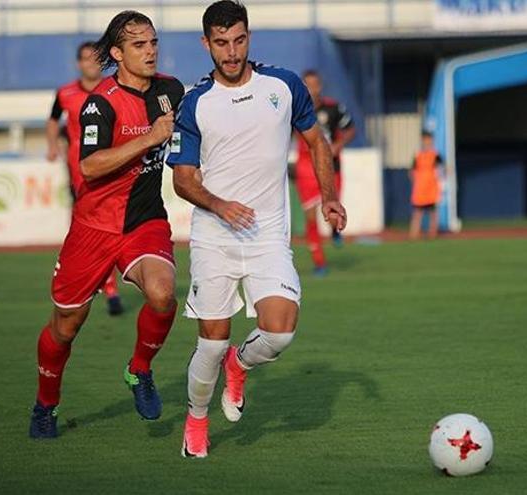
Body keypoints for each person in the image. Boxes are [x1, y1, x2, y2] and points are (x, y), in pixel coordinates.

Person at [167, 0, 347, 458]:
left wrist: (328, 195)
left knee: (281, 332)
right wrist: (219, 204)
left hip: (267, 233)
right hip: (214, 235)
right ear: (206, 44)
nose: (231, 52)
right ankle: (197, 422)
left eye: (239, 40)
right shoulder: (195, 102)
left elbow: (316, 141)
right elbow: (184, 179)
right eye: (222, 43)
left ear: (249, 37)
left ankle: (240, 364)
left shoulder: (283, 86)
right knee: (211, 341)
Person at [29, 10, 184, 439]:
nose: (150, 51)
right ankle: (46, 404)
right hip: (93, 228)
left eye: (153, 42)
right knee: (67, 326)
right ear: (116, 53)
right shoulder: (101, 102)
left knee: (162, 293)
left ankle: (139, 370)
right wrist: (149, 139)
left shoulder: (172, 90)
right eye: (139, 45)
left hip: (144, 221)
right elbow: (91, 166)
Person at [46, 41, 124, 316]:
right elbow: (53, 119)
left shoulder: (112, 90)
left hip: (110, 167)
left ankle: (110, 289)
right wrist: (52, 145)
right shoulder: (65, 93)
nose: (90, 64)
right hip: (80, 173)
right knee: (87, 229)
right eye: (86, 60)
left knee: (111, 226)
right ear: (79, 63)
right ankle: (93, 286)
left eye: (95, 59)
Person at [293, 69, 355, 275]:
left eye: (315, 84)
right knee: (311, 218)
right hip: (305, 167)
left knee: (333, 209)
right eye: (307, 85)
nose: (312, 89)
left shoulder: (334, 107)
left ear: (320, 86)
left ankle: (334, 231)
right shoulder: (295, 109)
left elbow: (350, 129)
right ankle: (319, 263)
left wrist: (338, 144)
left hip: (331, 166)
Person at [409, 131, 442, 240]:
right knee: (418, 212)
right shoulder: (417, 155)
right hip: (420, 189)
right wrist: (416, 180)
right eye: (425, 140)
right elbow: (411, 171)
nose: (427, 142)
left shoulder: (435, 155)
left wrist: (438, 179)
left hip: (431, 188)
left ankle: (433, 233)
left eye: (429, 140)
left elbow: (442, 169)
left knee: (433, 212)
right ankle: (414, 234)